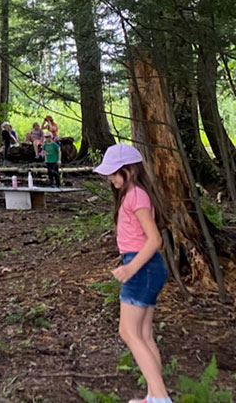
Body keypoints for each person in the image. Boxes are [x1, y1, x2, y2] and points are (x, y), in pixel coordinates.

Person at [94, 144, 172, 403]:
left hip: (143, 266)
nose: (112, 178)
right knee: (144, 333)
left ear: (132, 170)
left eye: (117, 172)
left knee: (128, 332)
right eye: (110, 173)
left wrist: (130, 268)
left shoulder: (136, 196)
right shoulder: (132, 194)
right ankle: (153, 395)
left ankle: (160, 397)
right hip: (147, 267)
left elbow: (154, 239)